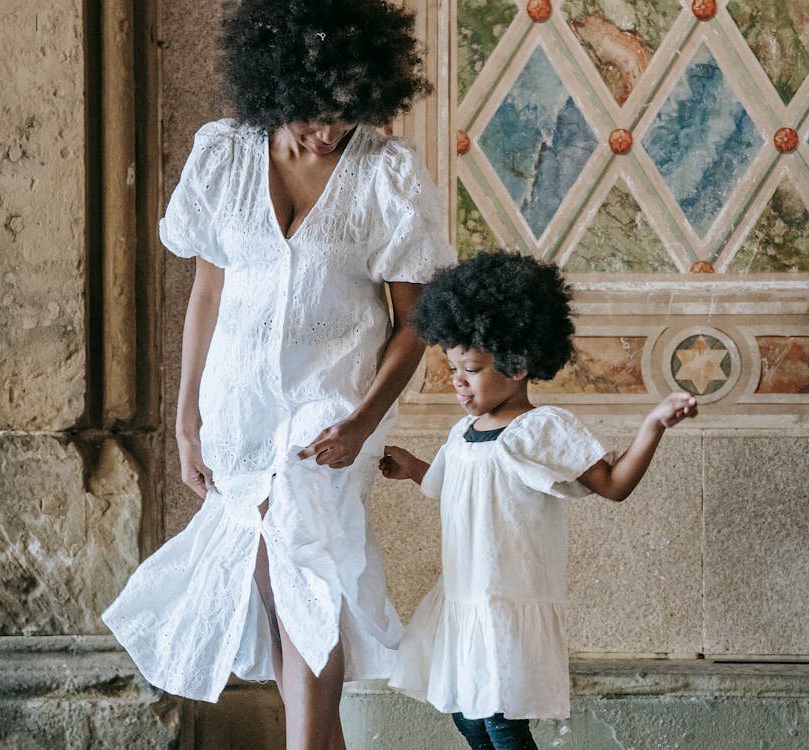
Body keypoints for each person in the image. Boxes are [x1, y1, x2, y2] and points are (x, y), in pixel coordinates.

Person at [102, 0, 453, 746]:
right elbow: (208, 291)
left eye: (346, 112)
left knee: (309, 586)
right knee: (274, 589)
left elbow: (414, 322)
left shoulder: (385, 174)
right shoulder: (223, 155)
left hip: (328, 416)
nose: (329, 131)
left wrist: (360, 423)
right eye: (311, 113)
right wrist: (185, 417)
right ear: (273, 84)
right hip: (236, 413)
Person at [379, 252, 697, 749]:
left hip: (506, 600)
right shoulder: (463, 432)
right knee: (466, 715)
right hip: (464, 595)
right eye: (453, 367)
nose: (458, 380)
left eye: (472, 368)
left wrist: (652, 425)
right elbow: (448, 486)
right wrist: (411, 468)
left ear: (518, 362)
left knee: (500, 720)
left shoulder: (540, 430)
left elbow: (613, 484)